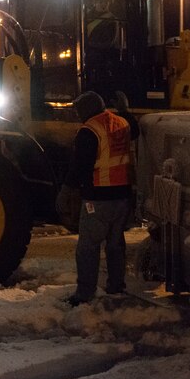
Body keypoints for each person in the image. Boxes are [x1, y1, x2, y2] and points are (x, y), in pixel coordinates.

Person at [61, 91, 135, 306]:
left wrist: (67, 190)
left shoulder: (89, 130)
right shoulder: (122, 122)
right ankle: (116, 286)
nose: (76, 114)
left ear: (88, 108)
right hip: (122, 196)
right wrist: (125, 110)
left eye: (78, 109)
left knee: (88, 247)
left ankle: (84, 293)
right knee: (115, 244)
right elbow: (136, 130)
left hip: (98, 197)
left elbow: (80, 165)